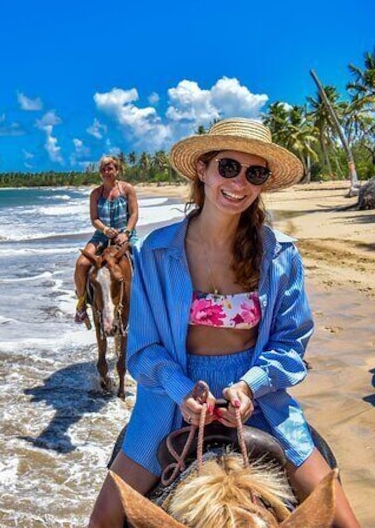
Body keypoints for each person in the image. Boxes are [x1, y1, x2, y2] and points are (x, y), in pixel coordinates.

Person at [88, 118, 359, 527]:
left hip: (258, 399)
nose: (240, 182)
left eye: (255, 173)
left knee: (343, 520)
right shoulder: (155, 253)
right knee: (105, 517)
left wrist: (251, 385)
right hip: (169, 398)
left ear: (264, 182)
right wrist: (182, 391)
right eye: (228, 167)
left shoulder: (280, 254)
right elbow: (143, 349)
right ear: (203, 169)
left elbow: (290, 343)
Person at [73, 156, 138, 326]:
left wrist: (126, 232)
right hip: (102, 236)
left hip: (126, 234)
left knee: (145, 262)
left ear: (117, 170)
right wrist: (105, 230)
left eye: (110, 168)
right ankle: (81, 307)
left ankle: (147, 305)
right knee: (81, 264)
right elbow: (94, 219)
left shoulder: (127, 189)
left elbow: (134, 214)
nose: (106, 172)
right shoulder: (96, 194)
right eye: (103, 169)